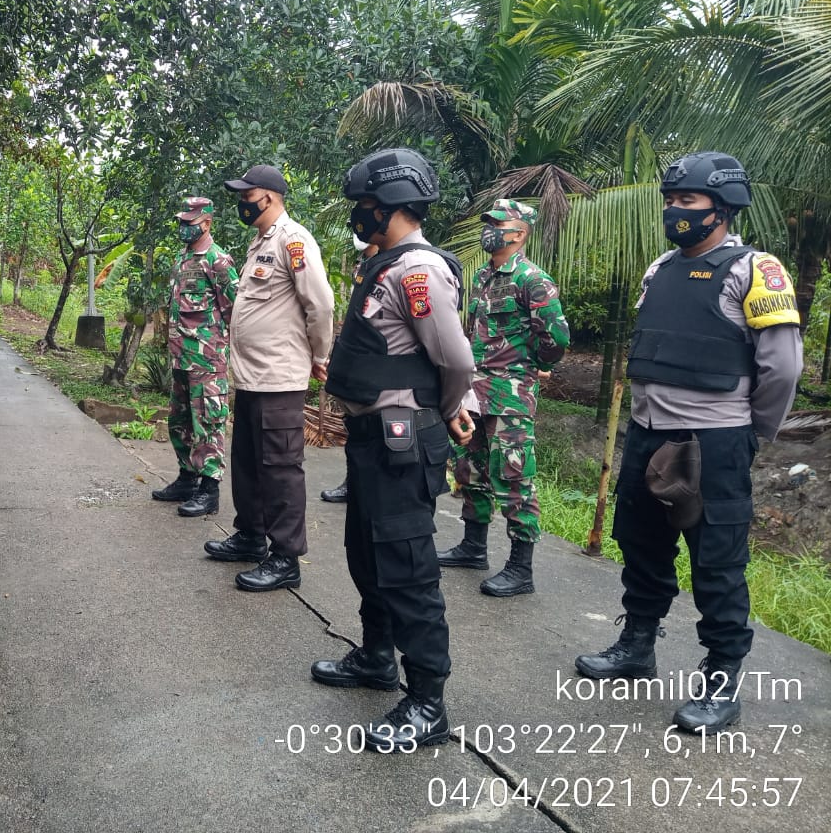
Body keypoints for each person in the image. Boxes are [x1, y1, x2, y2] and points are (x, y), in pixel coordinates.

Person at [575, 151, 802, 733]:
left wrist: (752, 436)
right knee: (641, 542)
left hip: (715, 442)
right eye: (671, 202)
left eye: (688, 202)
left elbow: (781, 369)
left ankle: (722, 679)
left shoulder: (757, 270)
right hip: (649, 433)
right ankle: (637, 647)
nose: (675, 212)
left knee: (717, 562)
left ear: (721, 209)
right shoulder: (660, 269)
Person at [312, 148, 475, 752]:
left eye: (364, 206)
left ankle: (428, 699)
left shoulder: (418, 271)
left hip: (404, 437)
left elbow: (455, 360)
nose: (358, 215)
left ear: (392, 206)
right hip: (372, 438)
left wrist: (451, 406)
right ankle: (377, 656)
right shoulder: (379, 263)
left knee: (406, 567)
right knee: (366, 553)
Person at [204, 164, 334, 591]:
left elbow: (320, 303)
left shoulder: (293, 240)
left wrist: (320, 355)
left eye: (248, 195)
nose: (242, 203)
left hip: (279, 377)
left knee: (280, 469)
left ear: (272, 197)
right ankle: (250, 535)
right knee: (245, 461)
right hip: (251, 377)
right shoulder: (259, 242)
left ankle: (285, 558)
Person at [441, 199, 570, 596]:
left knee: (514, 475)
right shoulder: (483, 275)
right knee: (470, 466)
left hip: (511, 393)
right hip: (476, 389)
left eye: (498, 224)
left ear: (519, 233)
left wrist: (529, 364)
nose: (489, 230)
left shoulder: (533, 279)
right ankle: (473, 546)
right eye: (488, 223)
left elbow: (557, 337)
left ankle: (520, 567)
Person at [151, 196, 238, 516]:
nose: (183, 227)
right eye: (182, 222)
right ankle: (187, 478)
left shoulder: (218, 261)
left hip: (207, 362)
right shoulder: (182, 260)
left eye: (190, 222)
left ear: (207, 223)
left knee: (208, 423)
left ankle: (209, 490)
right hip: (181, 358)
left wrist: (226, 354)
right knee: (179, 421)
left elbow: (236, 311)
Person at [320, 237, 380, 505]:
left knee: (378, 426)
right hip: (354, 355)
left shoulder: (387, 264)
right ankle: (352, 483)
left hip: (379, 359)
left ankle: (371, 486)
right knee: (352, 423)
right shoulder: (362, 265)